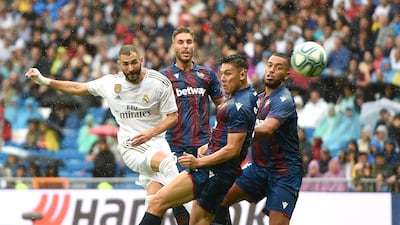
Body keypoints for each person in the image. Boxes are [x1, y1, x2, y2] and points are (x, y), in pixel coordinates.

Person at [25, 45, 189, 215]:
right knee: (167, 165)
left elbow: (173, 117)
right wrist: (43, 81)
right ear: (119, 64)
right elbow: (77, 88)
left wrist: (151, 133)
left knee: (155, 204)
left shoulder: (159, 83)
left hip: (157, 143)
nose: (130, 68)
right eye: (125, 64)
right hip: (131, 145)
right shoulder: (110, 83)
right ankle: (197, 210)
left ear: (142, 60)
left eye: (134, 62)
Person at [138, 54, 258, 225]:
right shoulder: (248, 96)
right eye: (221, 73)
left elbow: (233, 149)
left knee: (157, 203)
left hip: (211, 172)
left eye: (228, 74)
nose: (223, 79)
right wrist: (209, 146)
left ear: (242, 74)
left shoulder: (240, 106)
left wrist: (199, 163)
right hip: (219, 172)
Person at [212, 52, 302, 225]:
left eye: (278, 67)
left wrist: (236, 134)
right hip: (258, 168)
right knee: (217, 199)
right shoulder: (258, 99)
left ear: (286, 75)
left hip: (284, 172)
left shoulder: (285, 99)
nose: (271, 70)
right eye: (269, 65)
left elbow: (267, 128)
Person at [160, 26, 225, 225]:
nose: (185, 46)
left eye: (189, 42)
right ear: (173, 46)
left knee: (214, 200)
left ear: (194, 45)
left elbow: (223, 109)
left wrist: (217, 138)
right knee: (180, 203)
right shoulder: (163, 78)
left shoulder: (207, 75)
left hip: (204, 148)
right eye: (181, 42)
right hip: (175, 149)